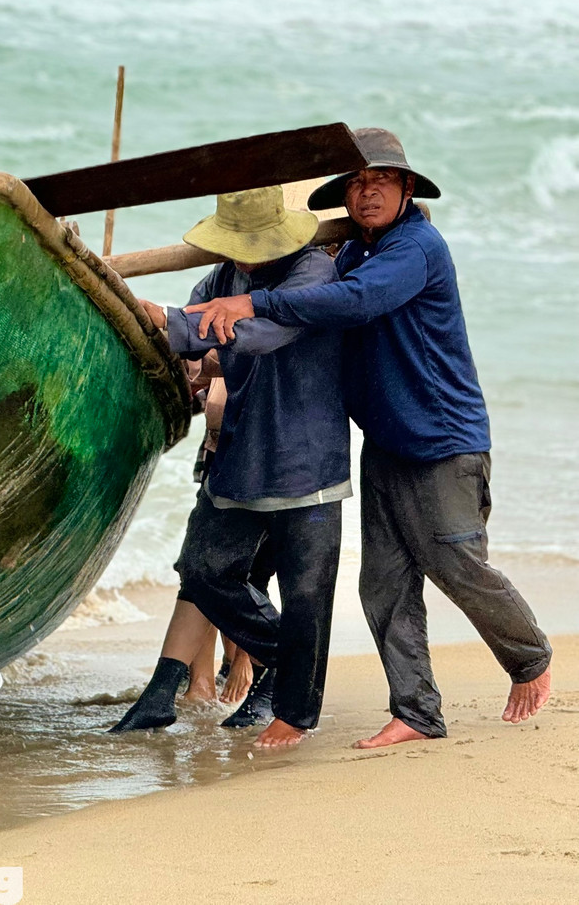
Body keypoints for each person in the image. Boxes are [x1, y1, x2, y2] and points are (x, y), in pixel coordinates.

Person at [187, 128, 552, 748]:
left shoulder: (416, 248)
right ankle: (416, 712)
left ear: (407, 188)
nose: (367, 192)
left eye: (380, 180)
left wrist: (255, 303)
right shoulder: (355, 252)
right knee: (382, 583)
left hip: (442, 441)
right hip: (384, 440)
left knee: (454, 562)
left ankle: (530, 657)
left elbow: (357, 301)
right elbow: (333, 286)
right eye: (356, 183)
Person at [108, 186, 349, 749]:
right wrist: (174, 332)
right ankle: (292, 665)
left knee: (307, 595)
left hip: (305, 459)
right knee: (204, 571)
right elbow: (194, 337)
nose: (242, 255)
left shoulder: (313, 273)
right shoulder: (221, 278)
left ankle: (294, 714)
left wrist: (166, 318)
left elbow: (258, 333)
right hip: (239, 452)